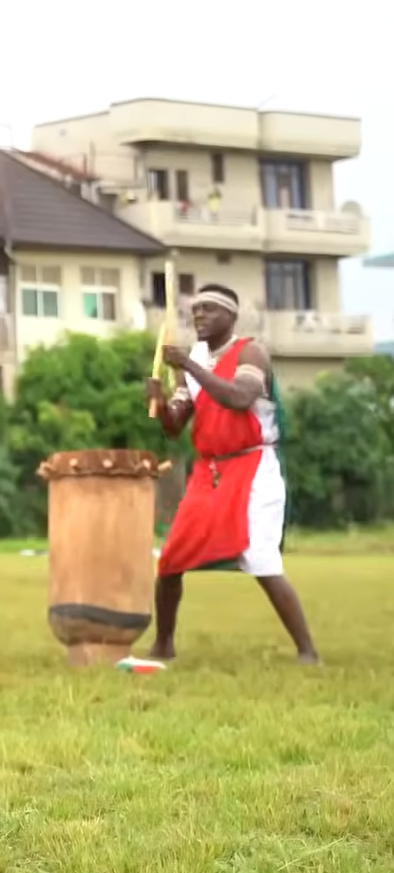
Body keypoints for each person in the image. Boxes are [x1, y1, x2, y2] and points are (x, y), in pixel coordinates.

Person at [146, 284, 319, 664]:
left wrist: (189, 367)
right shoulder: (192, 360)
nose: (199, 316)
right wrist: (159, 401)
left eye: (209, 309)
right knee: (171, 559)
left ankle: (307, 651)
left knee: (261, 558)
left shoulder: (250, 352)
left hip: (253, 464)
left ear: (231, 316)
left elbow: (239, 397)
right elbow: (176, 425)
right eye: (195, 310)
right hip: (208, 472)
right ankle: (163, 644)